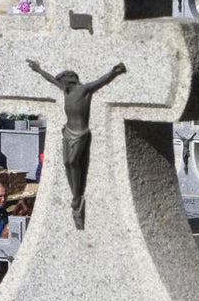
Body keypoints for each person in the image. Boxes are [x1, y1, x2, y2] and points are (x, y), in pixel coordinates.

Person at [28, 60, 126, 230]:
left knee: (73, 161)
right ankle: (75, 195)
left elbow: (101, 81)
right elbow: (51, 79)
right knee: (66, 163)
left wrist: (115, 71)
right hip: (67, 131)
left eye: (63, 82)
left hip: (81, 133)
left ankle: (76, 195)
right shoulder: (66, 91)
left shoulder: (83, 90)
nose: (61, 85)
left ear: (70, 80)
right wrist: (38, 70)